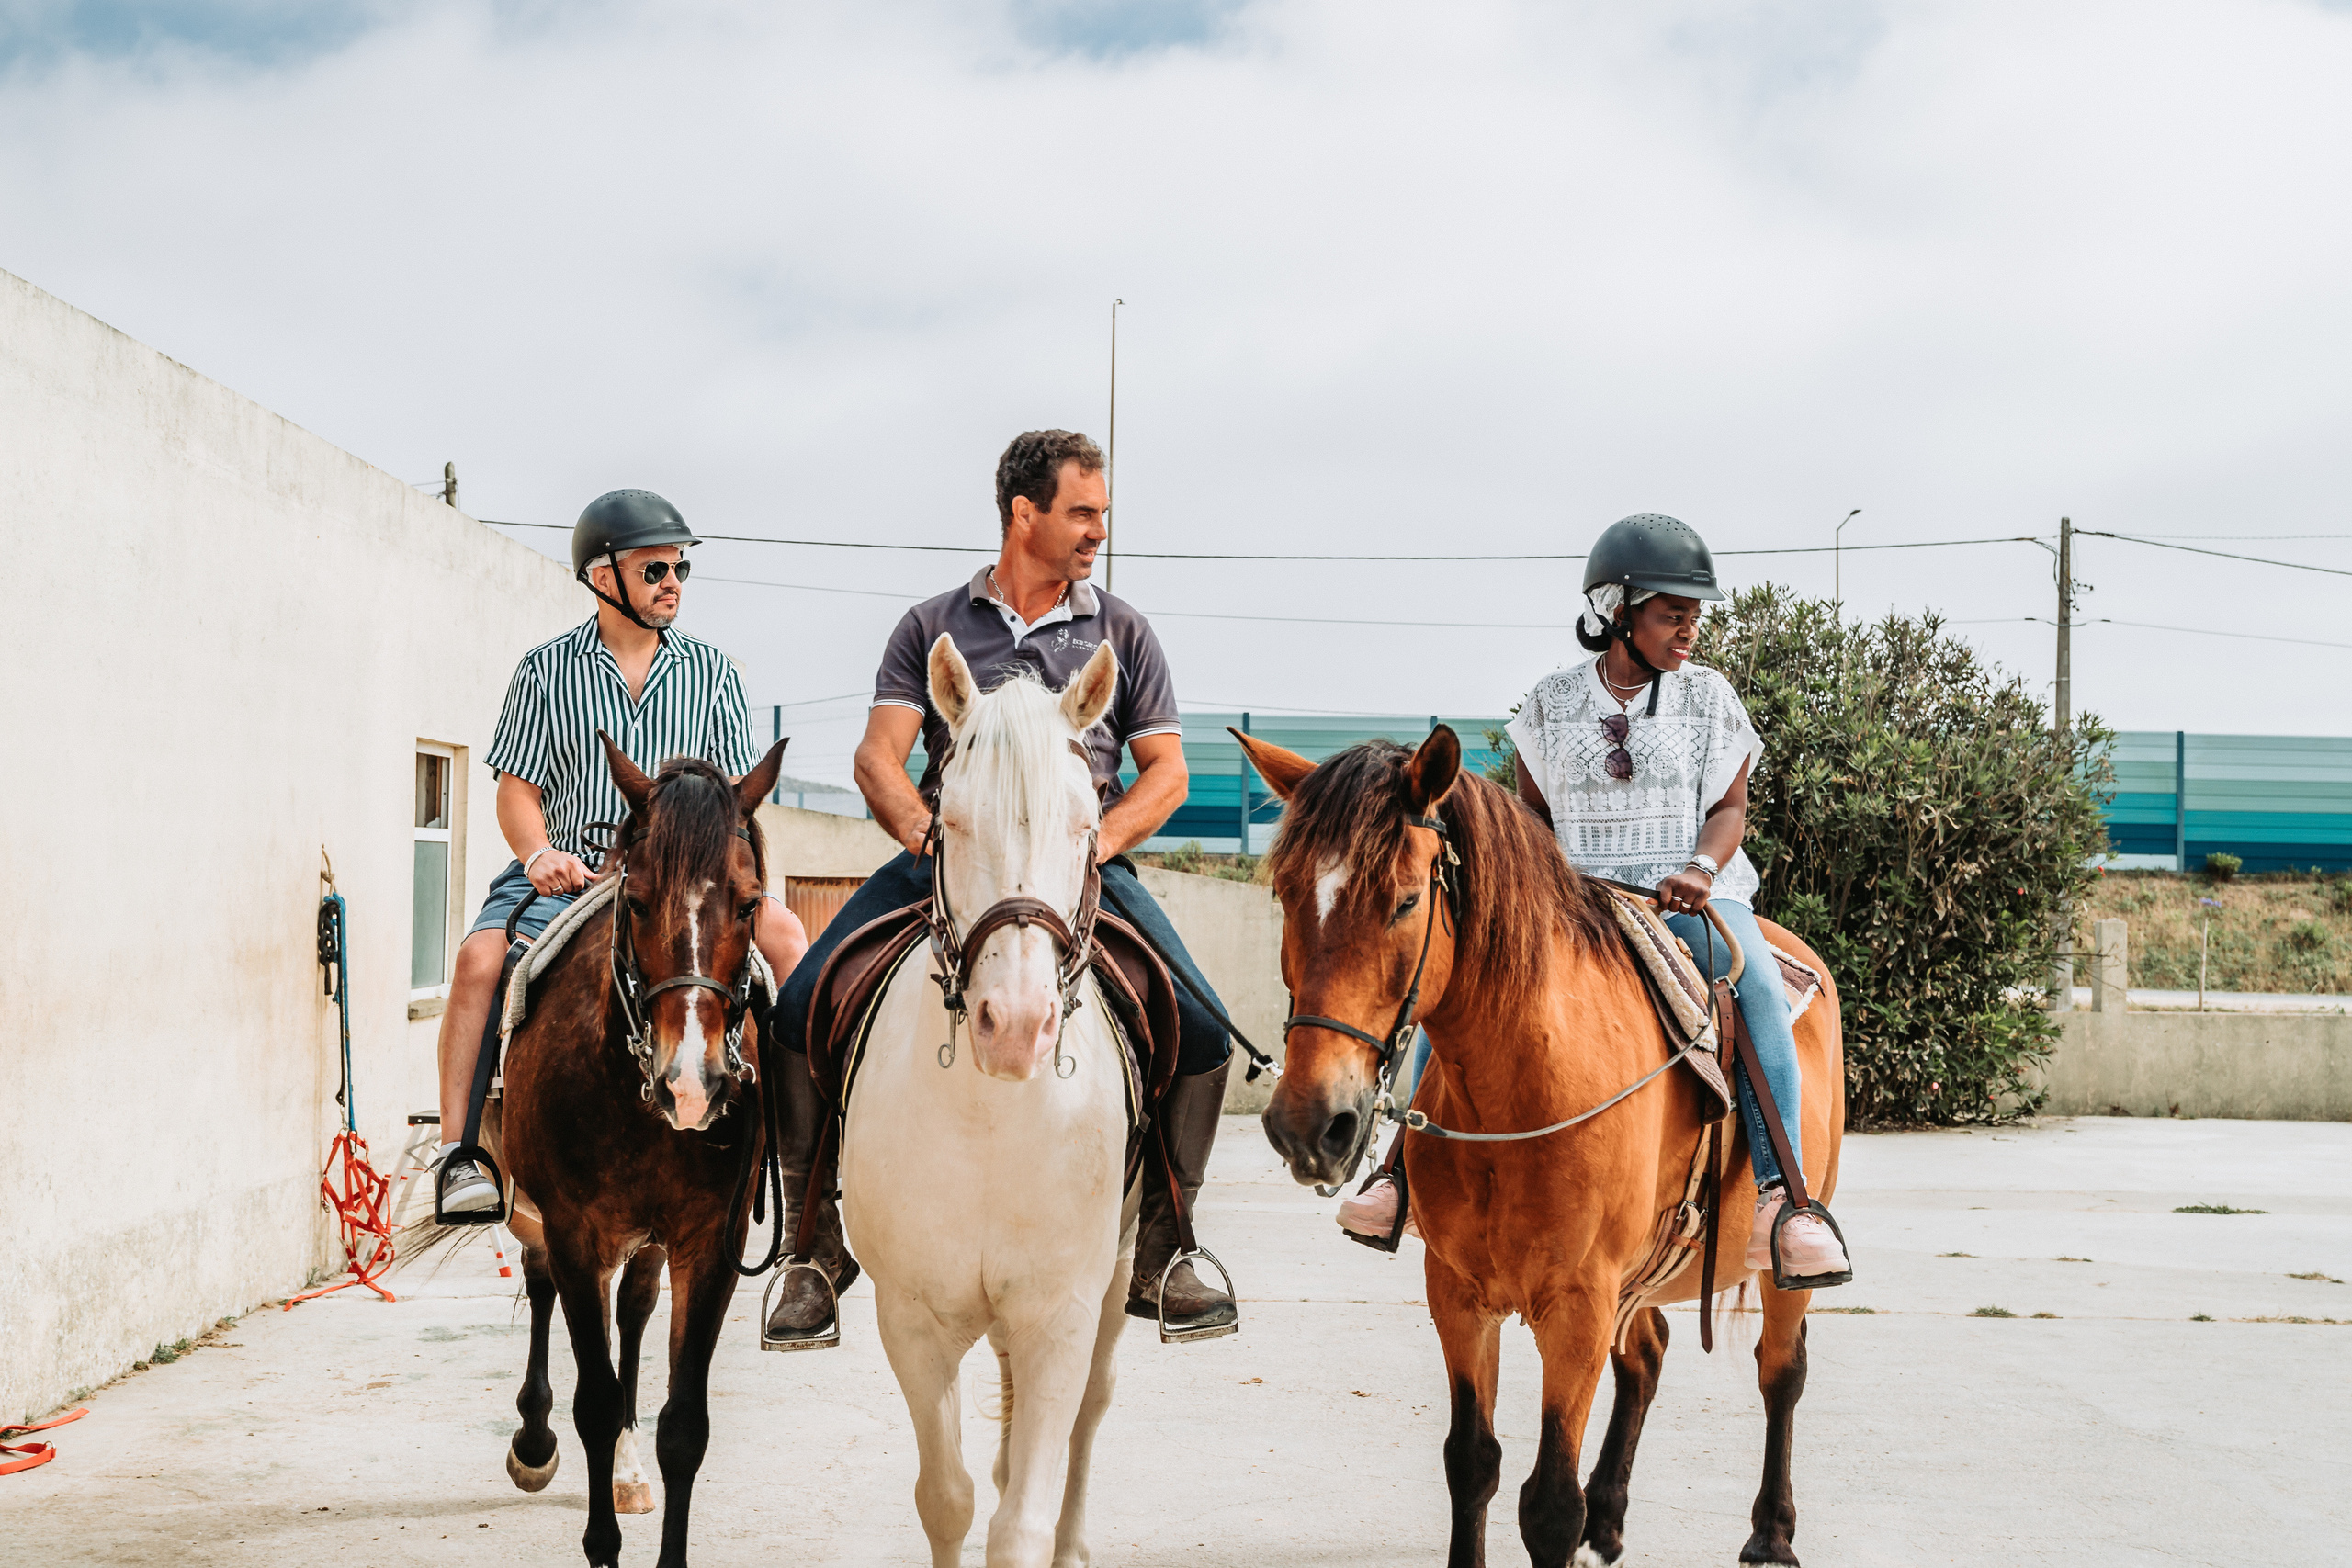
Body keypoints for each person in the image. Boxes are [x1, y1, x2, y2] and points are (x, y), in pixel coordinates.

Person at [764, 428, 1238, 1347]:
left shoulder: (1122, 631)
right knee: (794, 1011)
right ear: (1025, 514)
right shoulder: (931, 626)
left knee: (1207, 1027)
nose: (1099, 530)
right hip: (951, 860)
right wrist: (922, 831)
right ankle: (812, 1248)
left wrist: (1094, 845)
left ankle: (1167, 1248)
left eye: (1102, 514)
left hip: (1077, 870)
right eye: (1083, 512)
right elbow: (878, 757)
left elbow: (1167, 774)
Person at [1339, 513, 1849, 1281]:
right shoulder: (1549, 703)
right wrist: (1543, 890)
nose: (1690, 627)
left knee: (1758, 984)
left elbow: (1730, 809)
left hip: (1689, 897)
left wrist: (1702, 870)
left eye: (1694, 612)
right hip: (1574, 901)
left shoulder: (1710, 698)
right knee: (1456, 980)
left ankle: (1786, 1198)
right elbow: (1532, 820)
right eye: (1672, 611)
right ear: (1619, 609)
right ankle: (1399, 1170)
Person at [431, 489, 810, 1218]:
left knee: (791, 941)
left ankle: (802, 1167)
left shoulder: (714, 673)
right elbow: (517, 792)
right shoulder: (544, 671)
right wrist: (537, 852)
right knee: (479, 960)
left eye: (679, 570)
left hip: (685, 878)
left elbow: (733, 798)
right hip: (568, 873)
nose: (672, 583)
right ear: (604, 577)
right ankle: (459, 1158)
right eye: (655, 569)